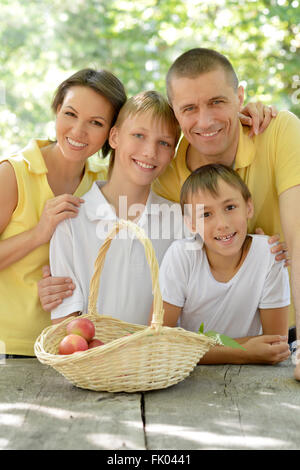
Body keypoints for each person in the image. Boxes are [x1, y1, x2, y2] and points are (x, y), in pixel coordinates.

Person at [151, 48, 300, 377]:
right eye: (189, 108)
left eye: (217, 102)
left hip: (284, 339)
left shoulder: (278, 131)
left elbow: (297, 240)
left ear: (240, 96)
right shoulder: (165, 178)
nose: (204, 121)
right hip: (206, 349)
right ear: (175, 115)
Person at [0, 68, 127, 356]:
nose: (78, 131)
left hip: (75, 352)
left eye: (95, 122)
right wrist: (38, 234)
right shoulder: (12, 174)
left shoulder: (103, 182)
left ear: (112, 133)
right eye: (70, 114)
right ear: (57, 110)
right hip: (10, 349)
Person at [49, 91, 184, 325]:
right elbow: (65, 324)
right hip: (93, 359)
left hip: (158, 359)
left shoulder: (180, 222)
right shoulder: (71, 221)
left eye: (163, 143)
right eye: (139, 135)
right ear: (114, 137)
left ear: (172, 154)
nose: (150, 152)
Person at [159, 164, 291, 365]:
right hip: (189, 378)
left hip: (250, 377)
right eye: (206, 214)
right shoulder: (181, 256)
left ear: (248, 207)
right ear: (190, 223)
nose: (222, 223)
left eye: (230, 207)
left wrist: (194, 349)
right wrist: (243, 351)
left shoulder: (269, 254)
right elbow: (160, 342)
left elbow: (276, 347)